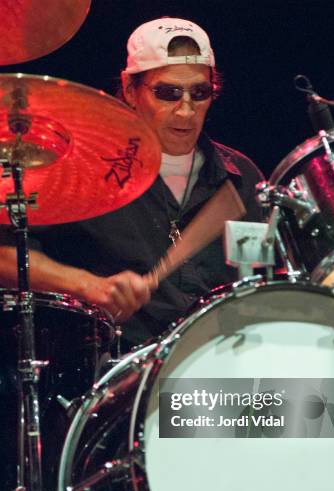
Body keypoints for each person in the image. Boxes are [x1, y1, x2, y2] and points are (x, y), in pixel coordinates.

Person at [0, 16, 264, 348]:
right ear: (130, 90)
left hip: (230, 362)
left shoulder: (242, 175)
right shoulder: (79, 173)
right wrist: (88, 286)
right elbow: (6, 257)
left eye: (199, 93)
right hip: (127, 375)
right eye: (167, 93)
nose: (186, 111)